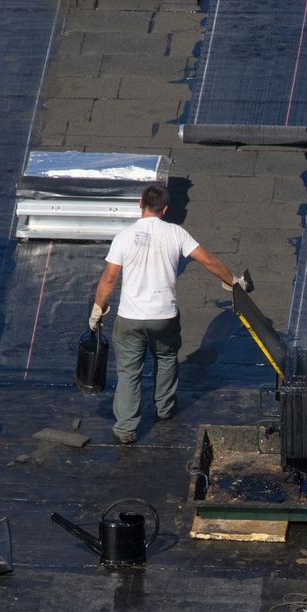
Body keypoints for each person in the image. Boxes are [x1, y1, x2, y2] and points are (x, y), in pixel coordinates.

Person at [90, 184, 241, 444]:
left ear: (140, 204)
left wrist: (97, 309)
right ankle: (165, 408)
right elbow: (208, 260)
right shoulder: (175, 233)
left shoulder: (124, 237)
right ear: (166, 209)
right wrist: (232, 281)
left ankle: (126, 428)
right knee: (167, 358)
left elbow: (109, 278)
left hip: (130, 318)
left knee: (129, 372)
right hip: (165, 315)